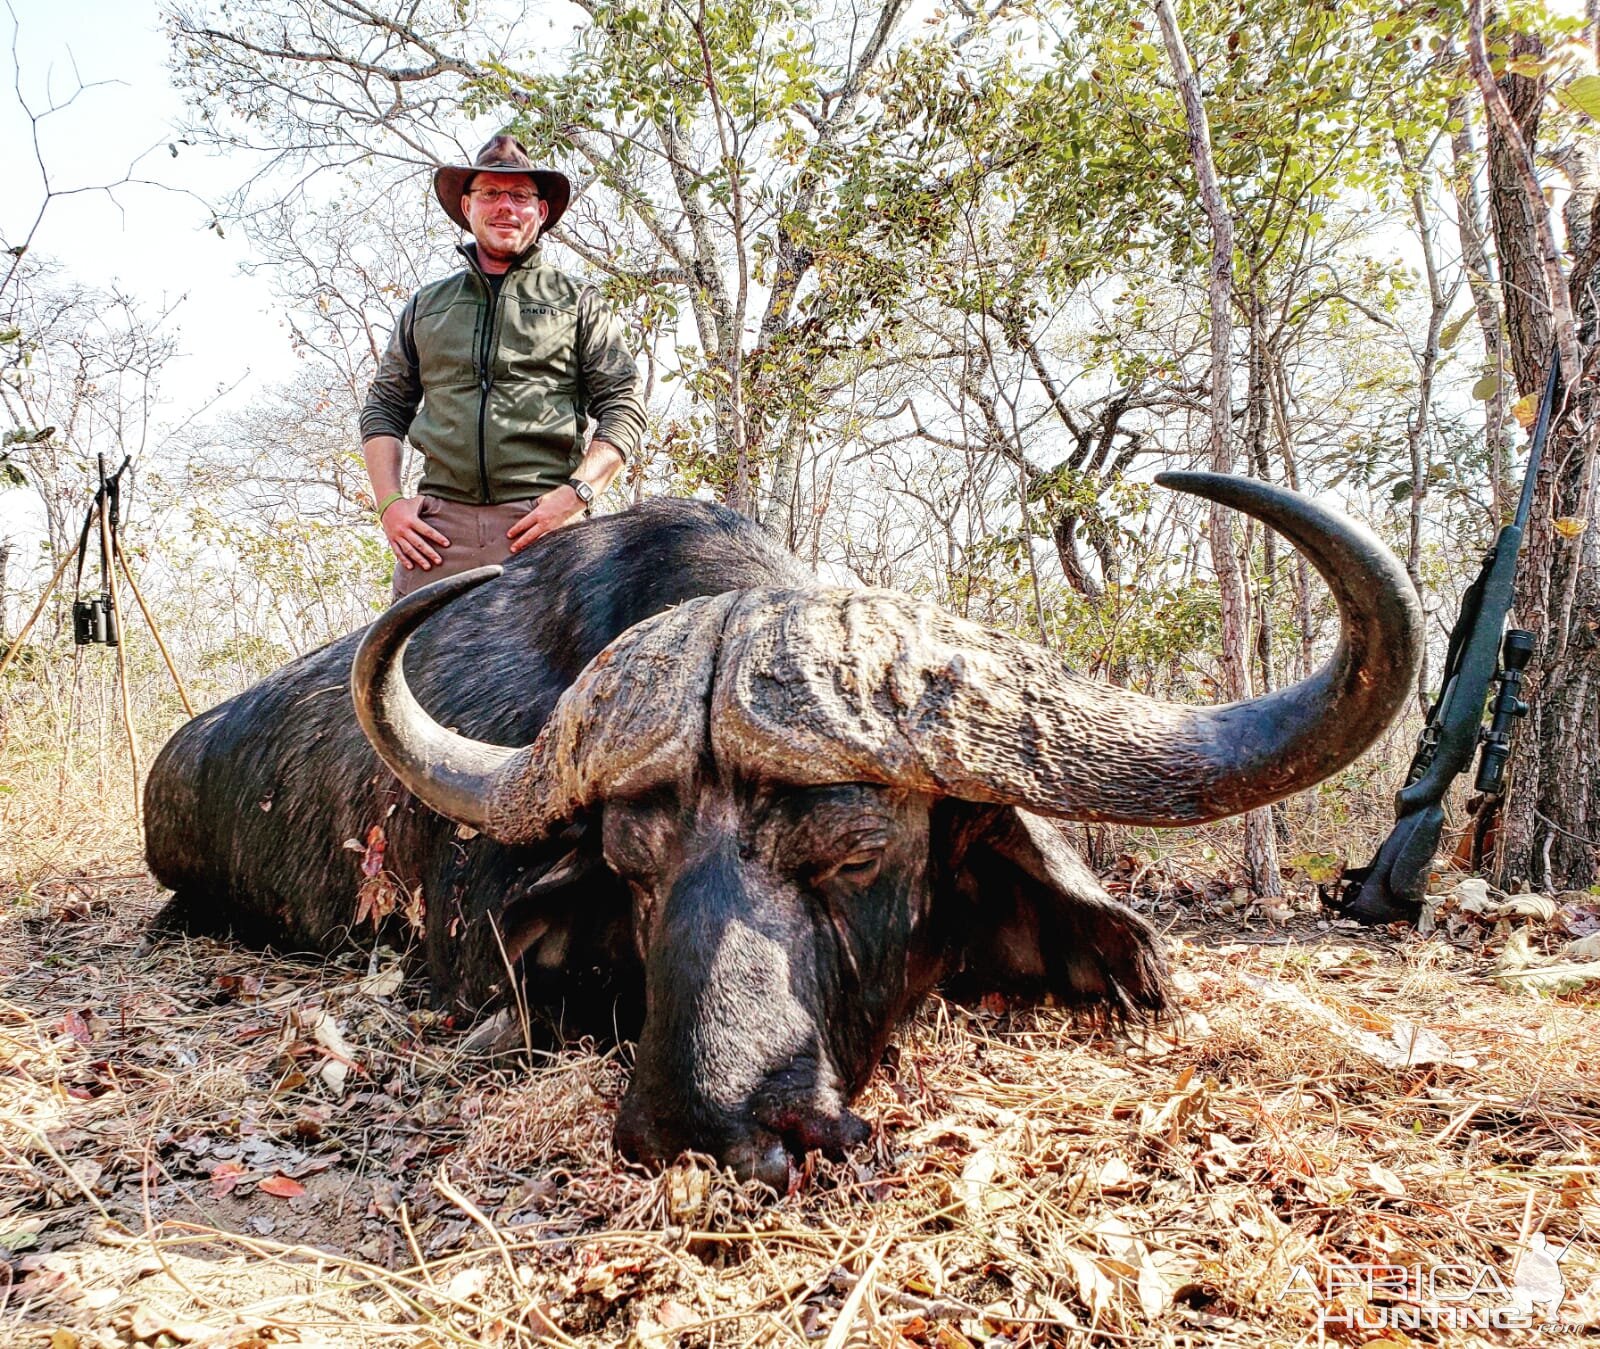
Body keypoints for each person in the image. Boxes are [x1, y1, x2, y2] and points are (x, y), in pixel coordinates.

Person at [360, 134, 646, 598]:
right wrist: (391, 504)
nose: (505, 208)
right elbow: (385, 408)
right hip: (436, 538)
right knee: (398, 667)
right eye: (491, 194)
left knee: (582, 668)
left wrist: (576, 496)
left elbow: (623, 403)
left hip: (544, 528)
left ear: (541, 212)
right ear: (468, 207)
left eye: (519, 196)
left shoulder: (577, 301)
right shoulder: (427, 305)